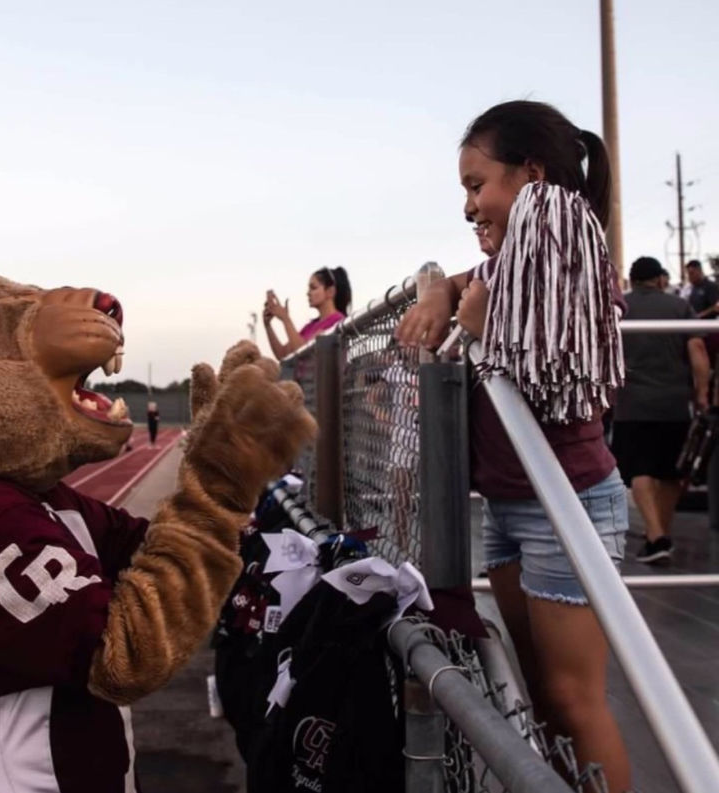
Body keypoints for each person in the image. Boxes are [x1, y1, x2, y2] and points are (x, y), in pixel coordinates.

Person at [396, 100, 630, 792]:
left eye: (478, 185)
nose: (469, 207)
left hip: (569, 501)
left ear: (532, 176)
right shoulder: (502, 266)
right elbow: (476, 284)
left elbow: (556, 361)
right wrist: (442, 287)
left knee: (574, 700)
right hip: (508, 504)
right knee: (538, 700)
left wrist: (482, 322)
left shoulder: (566, 252)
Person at [611, 257, 710, 564]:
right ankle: (659, 534)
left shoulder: (619, 308)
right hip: (674, 402)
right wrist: (702, 394)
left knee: (640, 469)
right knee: (670, 472)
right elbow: (697, 350)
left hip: (631, 403)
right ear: (659, 279)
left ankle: (656, 536)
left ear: (633, 278)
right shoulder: (679, 308)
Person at [263, 267, 352, 360]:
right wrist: (268, 326)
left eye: (313, 288)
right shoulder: (310, 326)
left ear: (330, 291)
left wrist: (285, 319)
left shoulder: (337, 321)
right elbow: (282, 354)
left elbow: (304, 354)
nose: (308, 293)